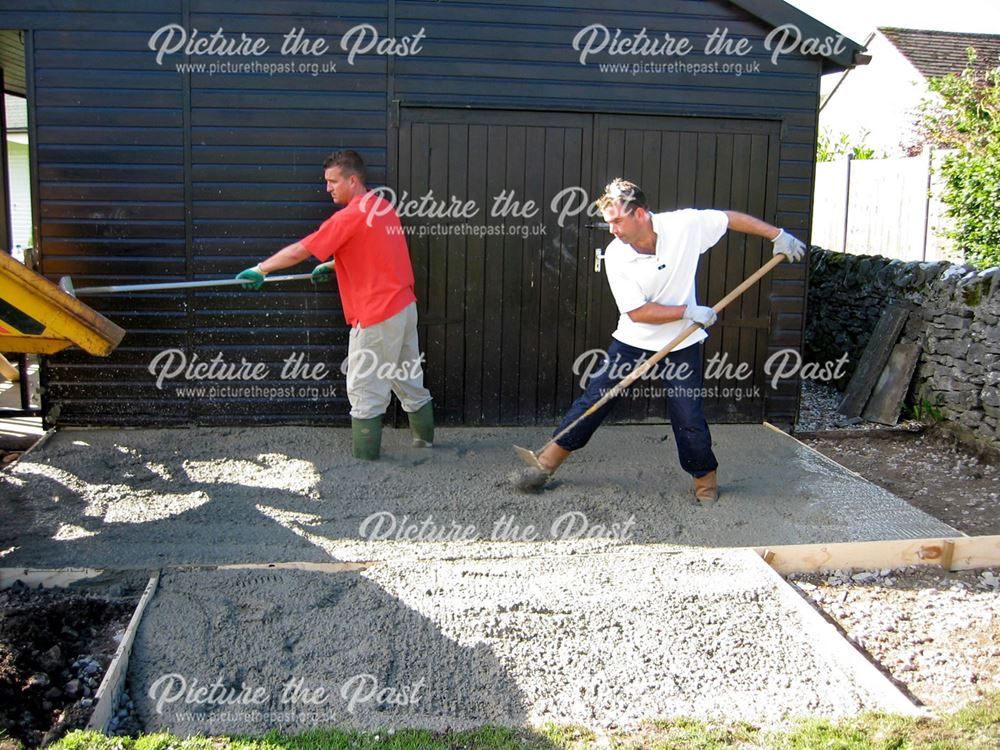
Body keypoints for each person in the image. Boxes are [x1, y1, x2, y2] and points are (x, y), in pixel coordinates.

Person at [525, 178, 806, 502]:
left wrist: (777, 235)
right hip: (633, 339)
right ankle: (544, 464)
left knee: (687, 414)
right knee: (595, 401)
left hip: (682, 342)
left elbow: (728, 218)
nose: (612, 229)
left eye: (617, 221)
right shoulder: (617, 256)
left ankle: (705, 483)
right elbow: (638, 313)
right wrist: (688, 310)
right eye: (608, 222)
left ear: (640, 214)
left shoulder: (684, 226)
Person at [235, 150, 433, 460]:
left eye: (332, 181)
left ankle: (366, 463)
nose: (327, 188)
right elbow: (376, 251)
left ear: (352, 180)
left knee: (365, 387)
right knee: (407, 378)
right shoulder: (381, 207)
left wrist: (261, 269)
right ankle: (425, 445)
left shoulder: (351, 215)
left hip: (377, 314)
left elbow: (302, 249)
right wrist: (332, 266)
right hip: (403, 308)